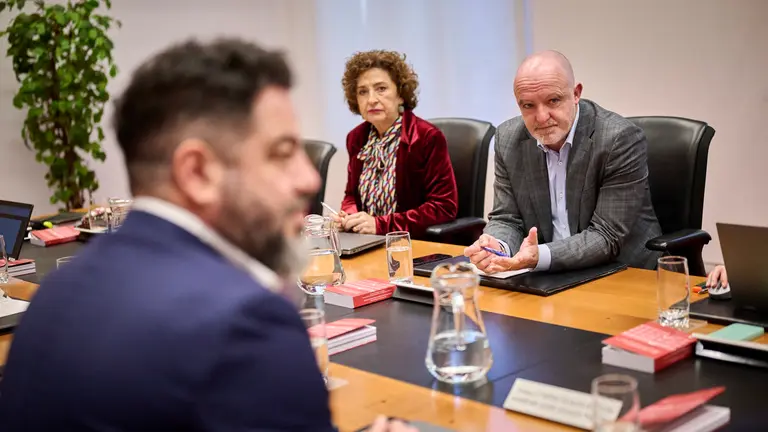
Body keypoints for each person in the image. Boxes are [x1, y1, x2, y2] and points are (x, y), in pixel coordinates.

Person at [0, 38, 414, 432]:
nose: (308, 178)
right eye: (282, 153)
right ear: (197, 172)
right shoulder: (248, 322)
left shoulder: (54, 293)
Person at [465, 50, 662, 274]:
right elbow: (507, 218)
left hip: (624, 273)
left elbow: (607, 236)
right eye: (528, 106)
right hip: (550, 276)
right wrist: (498, 247)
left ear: (576, 93)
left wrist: (539, 256)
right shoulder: (508, 139)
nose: (541, 117)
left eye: (553, 100)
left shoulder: (618, 139)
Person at [335, 50, 458, 239]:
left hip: (412, 245)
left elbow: (444, 207)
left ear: (400, 94)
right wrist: (349, 214)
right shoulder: (356, 138)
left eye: (381, 88)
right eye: (363, 92)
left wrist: (380, 225)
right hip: (367, 241)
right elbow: (351, 195)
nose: (371, 99)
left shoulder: (426, 137)